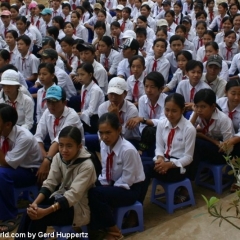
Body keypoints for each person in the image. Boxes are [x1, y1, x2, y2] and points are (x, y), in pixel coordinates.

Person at [15, 126, 97, 239]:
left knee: (39, 218)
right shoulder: (58, 157)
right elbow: (50, 183)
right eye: (61, 145)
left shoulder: (87, 165)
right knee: (30, 213)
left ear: (79, 146)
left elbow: (73, 195)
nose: (64, 150)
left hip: (78, 209)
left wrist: (45, 212)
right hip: (60, 199)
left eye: (69, 146)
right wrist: (34, 204)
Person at [88, 112, 145, 240]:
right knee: (88, 187)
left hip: (130, 189)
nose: (104, 137)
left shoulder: (128, 150)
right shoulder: (104, 145)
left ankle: (114, 231)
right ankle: (96, 226)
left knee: (95, 194)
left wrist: (105, 189)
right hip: (113, 182)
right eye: (101, 133)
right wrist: (101, 184)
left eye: (108, 132)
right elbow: (105, 170)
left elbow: (127, 180)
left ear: (119, 130)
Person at [0, 104, 42, 232]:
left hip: (30, 171)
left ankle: (9, 217)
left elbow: (7, 163)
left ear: (8, 124)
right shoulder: (2, 131)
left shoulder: (24, 137)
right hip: (10, 167)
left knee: (1, 174)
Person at [34, 85, 84, 184]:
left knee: (49, 166)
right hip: (55, 151)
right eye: (49, 102)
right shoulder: (47, 112)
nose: (51, 105)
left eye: (55, 102)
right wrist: (45, 157)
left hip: (72, 152)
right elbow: (38, 136)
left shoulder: (72, 116)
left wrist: (47, 160)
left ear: (64, 102)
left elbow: (59, 140)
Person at [152, 93, 196, 201]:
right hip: (164, 161)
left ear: (182, 110)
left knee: (144, 169)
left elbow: (188, 157)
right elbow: (159, 147)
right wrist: (160, 159)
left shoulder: (189, 129)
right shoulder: (162, 124)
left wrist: (169, 165)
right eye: (167, 110)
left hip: (178, 167)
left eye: (174, 111)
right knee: (142, 163)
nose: (169, 114)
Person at [189, 89, 234, 179]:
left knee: (196, 143)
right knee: (189, 141)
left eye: (203, 107)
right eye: (196, 106)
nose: (199, 110)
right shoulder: (198, 114)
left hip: (222, 154)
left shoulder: (223, 119)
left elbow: (227, 148)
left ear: (213, 106)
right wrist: (195, 114)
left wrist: (202, 136)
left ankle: (189, 178)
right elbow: (186, 133)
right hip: (211, 146)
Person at [77, 63, 105, 134]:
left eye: (82, 75)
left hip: (94, 119)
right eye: (78, 75)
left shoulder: (95, 90)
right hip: (85, 116)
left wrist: (79, 115)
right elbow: (83, 107)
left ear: (90, 75)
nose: (79, 77)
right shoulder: (83, 86)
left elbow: (91, 111)